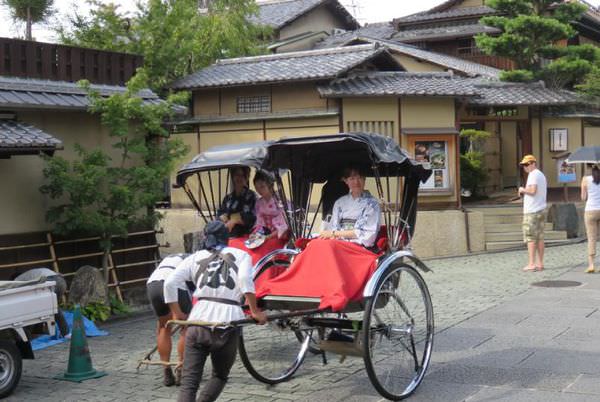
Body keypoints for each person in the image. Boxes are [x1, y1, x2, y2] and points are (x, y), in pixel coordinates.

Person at [164, 221, 267, 402]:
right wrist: (255, 311)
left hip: (197, 321)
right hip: (227, 323)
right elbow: (244, 279)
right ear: (226, 237)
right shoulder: (242, 255)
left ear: (206, 238)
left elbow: (169, 282)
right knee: (219, 376)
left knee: (189, 381)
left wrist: (177, 313)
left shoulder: (195, 257)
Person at [146, 253, 192, 386]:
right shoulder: (193, 259)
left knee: (163, 327)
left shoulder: (170, 258)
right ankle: (181, 370)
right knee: (186, 326)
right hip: (173, 283)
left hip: (153, 284)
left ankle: (166, 370)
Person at [320, 166, 381, 248]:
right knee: (315, 245)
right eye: (352, 178)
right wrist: (332, 234)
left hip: (359, 247)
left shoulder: (372, 204)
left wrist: (334, 233)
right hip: (338, 243)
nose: (356, 182)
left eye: (360, 178)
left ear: (364, 179)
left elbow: (367, 235)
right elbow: (334, 228)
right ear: (346, 181)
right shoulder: (340, 202)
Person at [12, 267, 69, 336]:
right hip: (61, 282)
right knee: (48, 307)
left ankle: (65, 333)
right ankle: (41, 331)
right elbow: (59, 275)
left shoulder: (16, 280)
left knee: (52, 308)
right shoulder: (31, 273)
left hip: (50, 282)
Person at [518, 155, 547, 272]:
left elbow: (532, 191)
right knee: (540, 237)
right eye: (523, 165)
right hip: (541, 209)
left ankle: (531, 263)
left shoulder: (533, 174)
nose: (525, 167)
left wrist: (522, 190)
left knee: (530, 238)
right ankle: (540, 263)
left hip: (532, 211)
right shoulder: (541, 174)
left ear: (533, 163)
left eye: (526, 164)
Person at [217, 166, 257, 238]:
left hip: (244, 234)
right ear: (233, 176)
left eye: (242, 175)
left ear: (247, 178)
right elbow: (220, 213)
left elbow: (254, 218)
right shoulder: (228, 198)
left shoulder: (252, 196)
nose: (239, 178)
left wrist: (236, 219)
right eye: (237, 175)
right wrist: (223, 217)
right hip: (226, 233)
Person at [252, 171, 288, 240]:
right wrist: (254, 233)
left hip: (279, 236)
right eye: (257, 188)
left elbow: (284, 226)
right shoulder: (259, 203)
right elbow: (259, 223)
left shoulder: (280, 201)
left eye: (262, 186)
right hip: (265, 234)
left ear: (270, 185)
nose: (259, 190)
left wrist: (268, 237)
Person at [581, 164, 600, 273]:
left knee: (591, 237)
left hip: (590, 210)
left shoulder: (585, 179)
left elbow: (583, 197)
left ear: (588, 167)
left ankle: (592, 265)